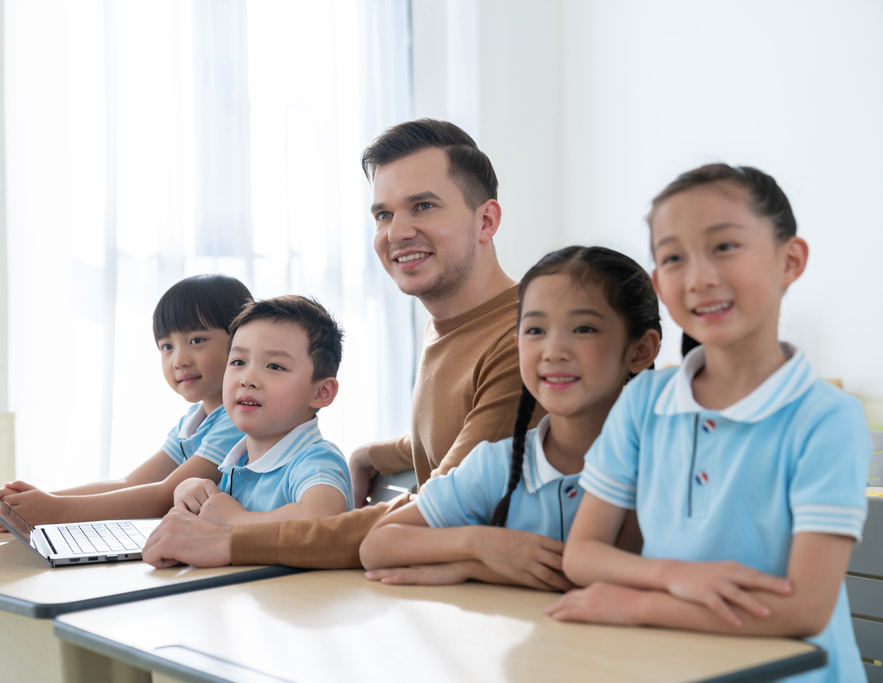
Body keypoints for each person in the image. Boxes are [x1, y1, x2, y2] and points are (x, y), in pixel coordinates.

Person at [141, 119, 533, 569]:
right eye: (384, 214)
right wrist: (373, 454)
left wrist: (228, 541)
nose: (397, 232)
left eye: (423, 206)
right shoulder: (448, 326)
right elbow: (466, 431)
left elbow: (440, 508)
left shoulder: (523, 339)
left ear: (486, 220)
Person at [546, 164, 872, 683]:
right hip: (671, 668)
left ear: (791, 260)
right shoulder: (644, 402)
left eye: (724, 247)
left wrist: (637, 604)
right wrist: (676, 576)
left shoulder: (827, 419)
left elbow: (805, 610)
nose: (699, 278)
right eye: (674, 257)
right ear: (659, 283)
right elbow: (583, 555)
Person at [359, 246, 659, 589]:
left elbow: (593, 574)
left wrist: (470, 568)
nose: (553, 351)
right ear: (518, 345)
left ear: (640, 351)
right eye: (535, 331)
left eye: (583, 329)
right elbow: (377, 546)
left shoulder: (670, 459)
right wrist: (480, 545)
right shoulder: (497, 464)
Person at [0, 274, 250, 527]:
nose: (179, 360)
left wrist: (54, 510)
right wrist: (43, 499)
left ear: (240, 341)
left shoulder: (240, 419)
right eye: (166, 346)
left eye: (196, 340)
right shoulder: (194, 421)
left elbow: (164, 496)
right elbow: (129, 483)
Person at [160, 294, 353, 530]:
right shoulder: (237, 461)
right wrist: (188, 487)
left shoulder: (315, 460)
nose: (247, 379)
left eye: (275, 366)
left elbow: (322, 518)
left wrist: (235, 520)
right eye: (238, 362)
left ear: (321, 392)